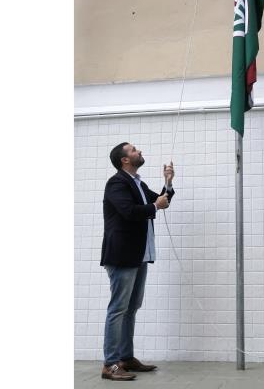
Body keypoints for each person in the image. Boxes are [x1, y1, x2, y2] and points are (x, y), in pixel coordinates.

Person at [99, 142, 175, 381]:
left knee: (131, 309)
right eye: (133, 150)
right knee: (118, 309)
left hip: (139, 255)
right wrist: (154, 205)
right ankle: (110, 364)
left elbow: (162, 200)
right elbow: (129, 211)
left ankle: (126, 358)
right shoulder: (117, 183)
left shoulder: (138, 183)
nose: (139, 151)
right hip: (122, 256)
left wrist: (168, 182)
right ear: (124, 160)